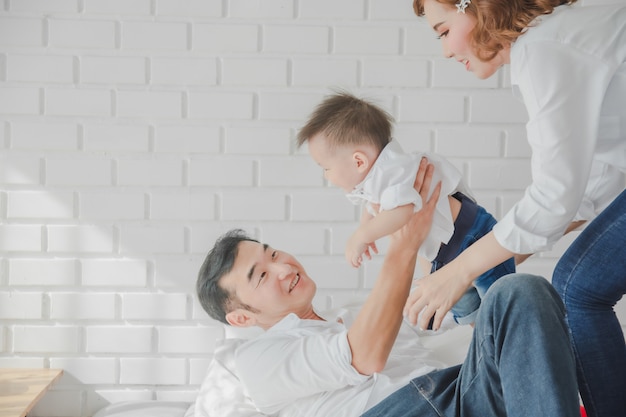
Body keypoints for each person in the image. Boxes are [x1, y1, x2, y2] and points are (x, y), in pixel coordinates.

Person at [195, 160, 580, 417]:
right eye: (261, 276)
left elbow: (456, 283)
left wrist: (558, 220)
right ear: (242, 317)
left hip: (459, 395)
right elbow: (364, 357)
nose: (283, 267)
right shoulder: (256, 360)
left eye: (274, 253)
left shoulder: (362, 314)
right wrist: (405, 244)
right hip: (396, 410)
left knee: (518, 293)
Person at [406, 1, 626, 416]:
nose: (446, 51)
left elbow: (555, 196)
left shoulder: (546, 50)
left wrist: (460, 269)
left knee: (577, 288)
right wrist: (498, 255)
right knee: (579, 286)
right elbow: (594, 186)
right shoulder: (556, 38)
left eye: (442, 30)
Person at [296, 91, 514, 326]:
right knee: (470, 313)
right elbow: (372, 204)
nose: (326, 176)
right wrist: (366, 226)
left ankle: (504, 342)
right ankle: (484, 341)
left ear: (358, 161)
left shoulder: (395, 171)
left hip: (472, 236)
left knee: (501, 308)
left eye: (325, 168)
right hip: (446, 254)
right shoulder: (376, 177)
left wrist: (362, 235)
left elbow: (402, 212)